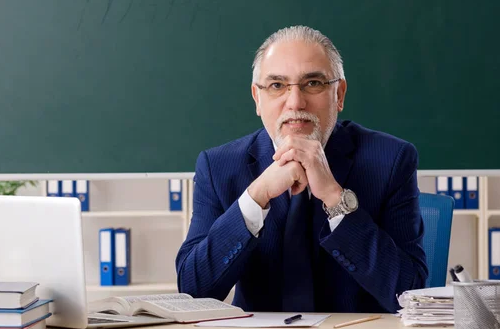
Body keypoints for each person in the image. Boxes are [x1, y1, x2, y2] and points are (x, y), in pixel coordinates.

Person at [175, 25, 428, 313]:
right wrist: (256, 196)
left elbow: (411, 295)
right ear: (258, 99)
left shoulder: (391, 160)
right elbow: (192, 292)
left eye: (313, 83)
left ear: (339, 94)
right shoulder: (219, 166)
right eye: (276, 86)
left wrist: (336, 199)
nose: (295, 102)